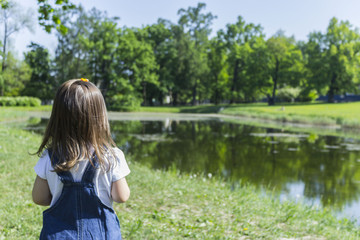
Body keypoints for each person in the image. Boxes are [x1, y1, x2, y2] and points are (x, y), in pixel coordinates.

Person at [32, 78, 130, 240]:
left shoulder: (50, 157)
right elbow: (121, 196)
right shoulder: (112, 156)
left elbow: (39, 197)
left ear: (58, 118)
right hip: (101, 234)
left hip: (59, 235)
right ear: (99, 117)